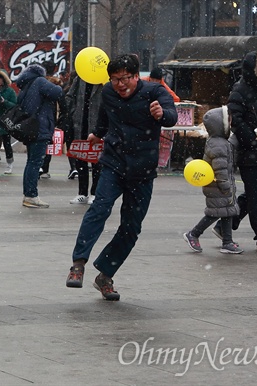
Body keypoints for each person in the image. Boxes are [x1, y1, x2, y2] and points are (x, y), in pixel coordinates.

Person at [65, 54, 178, 300]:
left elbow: (172, 116)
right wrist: (97, 133)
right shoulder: (108, 92)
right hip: (114, 164)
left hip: (142, 170)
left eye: (125, 78)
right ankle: (78, 264)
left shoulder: (154, 92)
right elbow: (107, 118)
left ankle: (105, 274)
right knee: (99, 209)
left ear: (137, 76)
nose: (120, 84)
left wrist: (161, 115)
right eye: (115, 79)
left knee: (131, 227)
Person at [213, 47, 257, 252]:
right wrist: (252, 139)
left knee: (253, 194)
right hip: (251, 151)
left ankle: (224, 224)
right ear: (254, 68)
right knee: (256, 197)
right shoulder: (240, 89)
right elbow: (236, 119)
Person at [183, 106, 243, 254]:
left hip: (218, 184)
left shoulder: (219, 141)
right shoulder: (219, 144)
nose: (230, 123)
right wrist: (225, 184)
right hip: (217, 185)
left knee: (227, 212)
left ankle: (227, 242)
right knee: (214, 213)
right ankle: (194, 233)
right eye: (227, 121)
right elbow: (220, 168)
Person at [15, 63, 62, 208]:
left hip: (29, 128)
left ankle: (29, 194)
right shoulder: (40, 82)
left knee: (31, 162)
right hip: (39, 128)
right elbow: (58, 92)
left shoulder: (25, 86)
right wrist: (57, 83)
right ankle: (31, 195)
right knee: (35, 163)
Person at [65, 76, 103, 205]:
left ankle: (95, 192)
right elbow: (69, 96)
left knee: (96, 161)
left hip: (97, 126)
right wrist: (73, 111)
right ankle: (82, 193)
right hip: (80, 123)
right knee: (80, 160)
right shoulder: (79, 78)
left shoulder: (104, 79)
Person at [37, 60, 66, 179]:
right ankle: (45, 168)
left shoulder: (37, 83)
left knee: (36, 142)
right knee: (48, 142)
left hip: (37, 116)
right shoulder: (57, 85)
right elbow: (63, 104)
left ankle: (38, 165)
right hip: (51, 117)